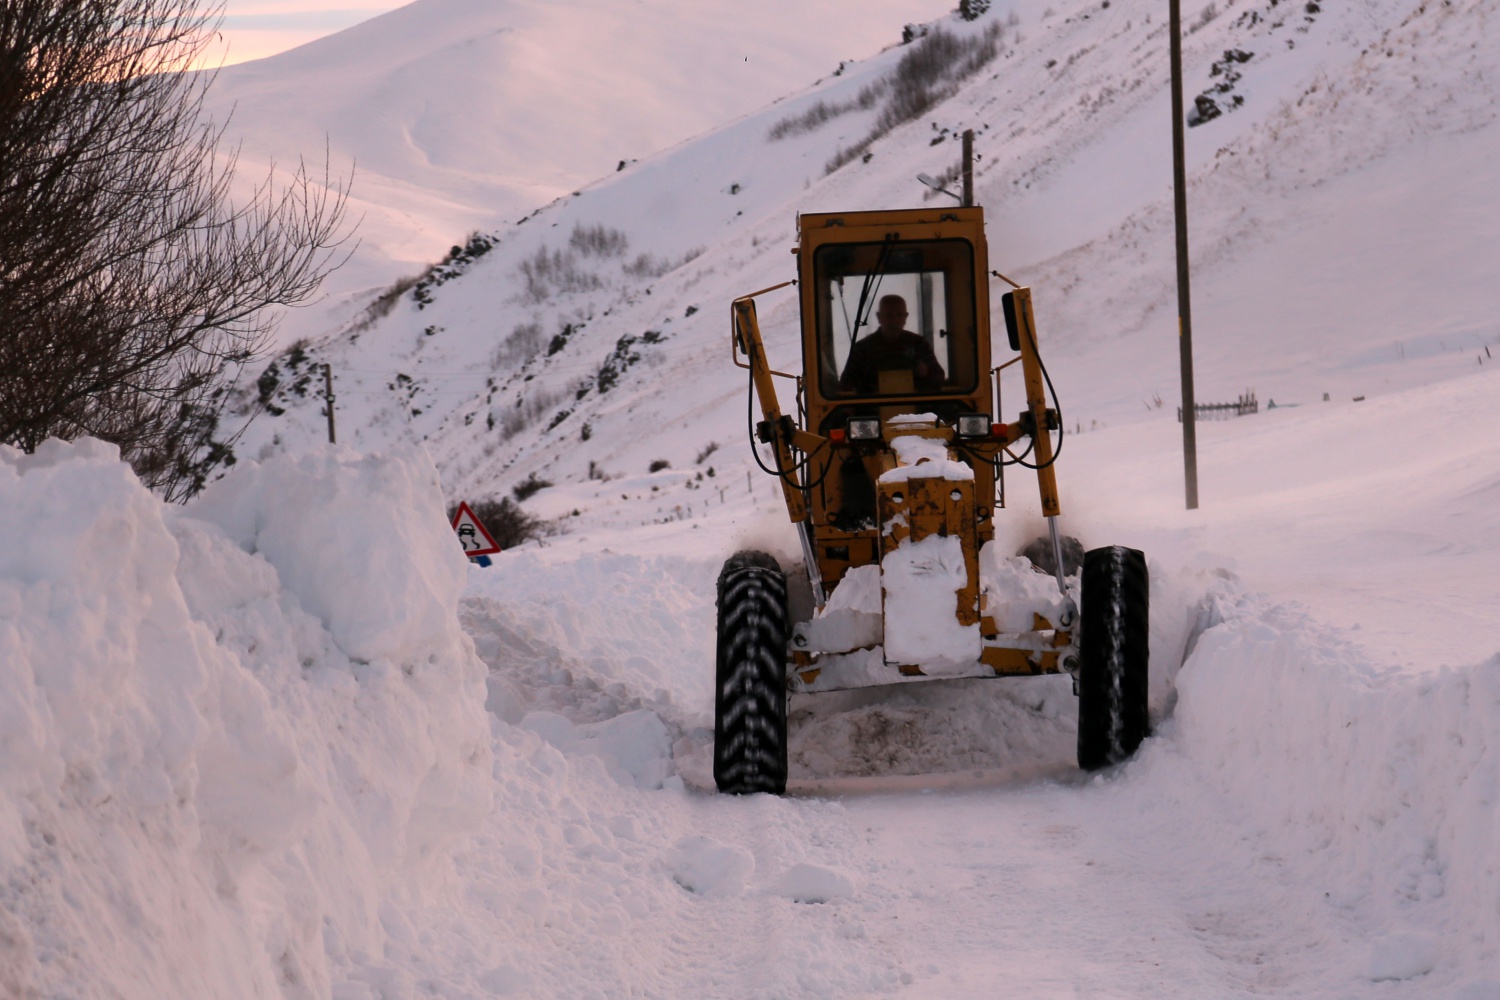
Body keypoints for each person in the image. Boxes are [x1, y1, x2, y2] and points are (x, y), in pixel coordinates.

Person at [838, 294, 945, 394]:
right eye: (889, 315)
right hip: (872, 409)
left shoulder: (919, 344)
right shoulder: (862, 348)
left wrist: (925, 372)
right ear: (879, 317)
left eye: (899, 315)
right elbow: (846, 383)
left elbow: (939, 378)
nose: (894, 320)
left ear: (905, 317)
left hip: (916, 409)